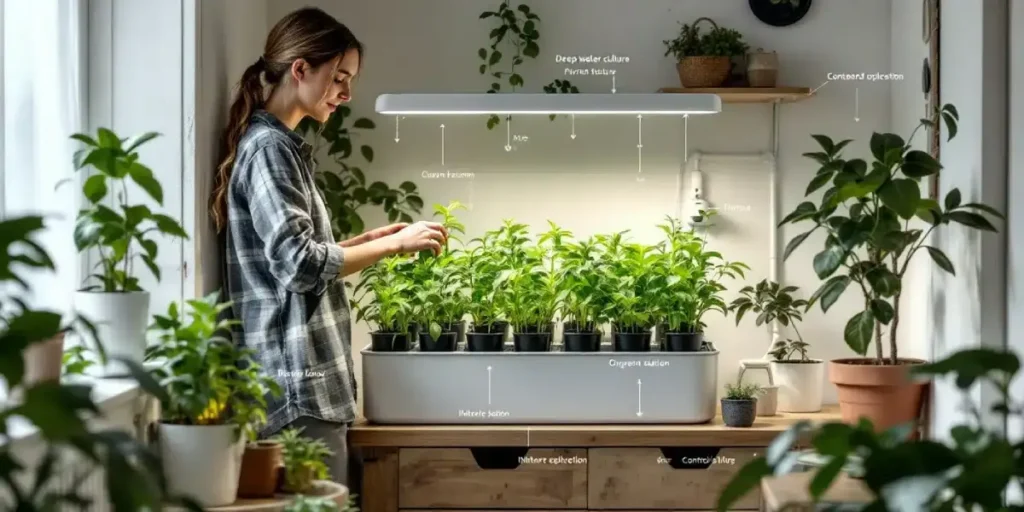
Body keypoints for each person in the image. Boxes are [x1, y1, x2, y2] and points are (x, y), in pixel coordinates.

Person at [209, 6, 447, 489]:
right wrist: (394, 246)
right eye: (339, 77)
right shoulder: (269, 150)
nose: (347, 92)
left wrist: (367, 242)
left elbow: (294, 254)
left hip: (304, 386)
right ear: (300, 69)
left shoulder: (281, 147)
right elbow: (298, 266)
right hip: (297, 387)